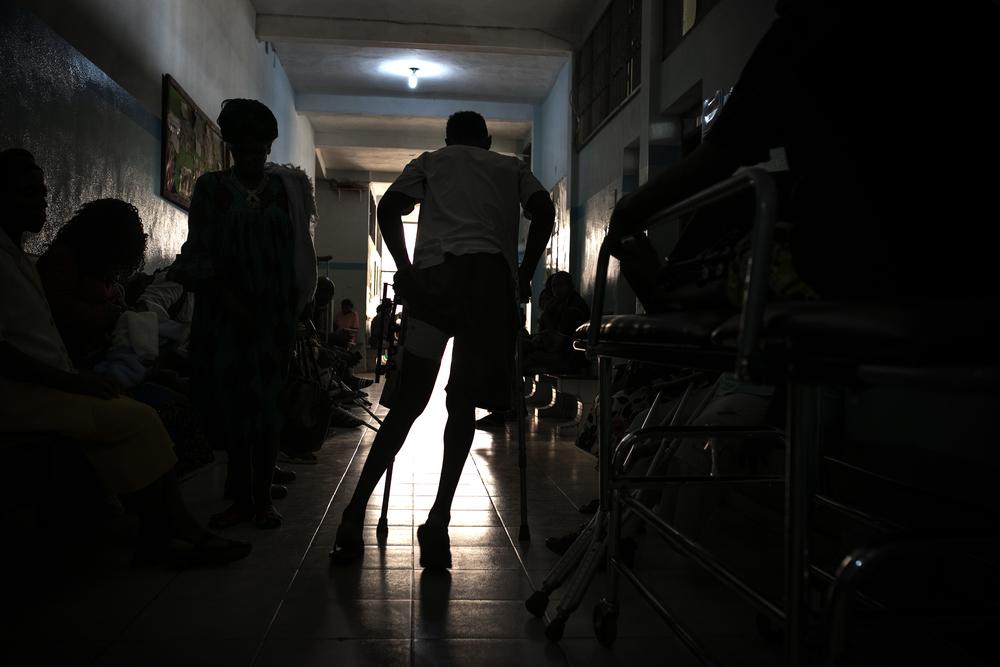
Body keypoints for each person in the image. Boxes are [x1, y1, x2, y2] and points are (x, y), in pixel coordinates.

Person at [609, 1, 998, 307]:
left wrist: (628, 211)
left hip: (854, 260)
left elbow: (715, 161)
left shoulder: (805, 31)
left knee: (738, 231)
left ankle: (670, 307)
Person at [0, 148, 250, 566]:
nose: (42, 200)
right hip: (31, 389)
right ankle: (171, 530)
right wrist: (76, 376)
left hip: (60, 378)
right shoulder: (51, 261)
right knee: (143, 416)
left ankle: (162, 524)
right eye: (28, 192)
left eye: (43, 192)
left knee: (172, 397)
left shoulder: (16, 255)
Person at [330, 110, 555, 568]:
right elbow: (545, 210)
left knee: (408, 403)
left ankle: (353, 515)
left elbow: (389, 207)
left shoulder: (431, 161)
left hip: (436, 285)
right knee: (462, 404)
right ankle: (438, 521)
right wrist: (524, 273)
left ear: (448, 140)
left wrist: (406, 271)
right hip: (488, 289)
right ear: (487, 140)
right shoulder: (510, 166)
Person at [171, 98, 317, 530]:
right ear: (229, 146)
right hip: (224, 312)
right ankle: (240, 495)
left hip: (274, 315)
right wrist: (231, 303)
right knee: (234, 406)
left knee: (269, 405)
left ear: (270, 146)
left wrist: (292, 309)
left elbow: (299, 253)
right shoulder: (212, 188)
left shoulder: (285, 190)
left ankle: (262, 496)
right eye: (242, 148)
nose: (251, 156)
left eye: (259, 147)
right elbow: (201, 250)